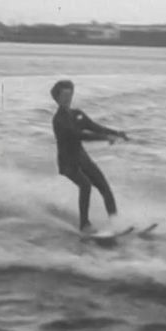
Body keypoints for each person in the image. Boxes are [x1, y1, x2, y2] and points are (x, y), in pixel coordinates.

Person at [50, 80, 129, 232]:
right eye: (64, 95)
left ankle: (115, 224)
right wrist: (105, 139)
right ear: (57, 98)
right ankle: (84, 225)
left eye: (70, 94)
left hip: (81, 157)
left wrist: (116, 133)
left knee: (104, 187)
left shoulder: (77, 114)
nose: (68, 98)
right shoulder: (58, 119)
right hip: (67, 162)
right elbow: (79, 136)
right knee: (85, 185)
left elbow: (95, 127)